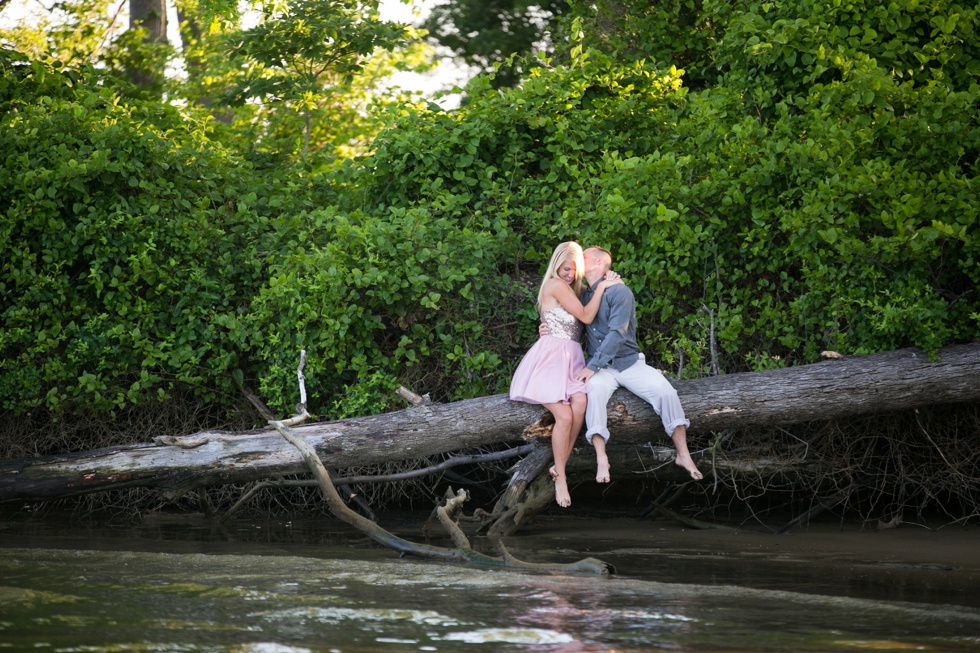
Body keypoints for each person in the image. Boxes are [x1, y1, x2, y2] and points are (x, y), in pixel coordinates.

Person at [544, 246, 703, 483]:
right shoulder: (583, 294)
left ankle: (683, 454)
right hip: (601, 369)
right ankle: (601, 458)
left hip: (628, 363)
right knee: (594, 392)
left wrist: (592, 365)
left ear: (598, 263)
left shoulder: (620, 291)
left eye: (584, 256)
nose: (578, 259)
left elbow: (617, 334)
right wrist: (545, 328)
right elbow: (559, 312)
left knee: (666, 392)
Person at [510, 242, 622, 508]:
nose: (569, 275)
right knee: (564, 414)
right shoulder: (554, 284)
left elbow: (592, 293)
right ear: (555, 265)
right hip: (550, 359)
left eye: (573, 271)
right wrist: (603, 288)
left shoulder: (575, 289)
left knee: (580, 403)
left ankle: (559, 467)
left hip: (571, 359)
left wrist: (610, 281)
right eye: (564, 269)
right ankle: (560, 477)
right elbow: (585, 315)